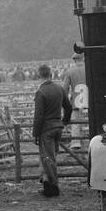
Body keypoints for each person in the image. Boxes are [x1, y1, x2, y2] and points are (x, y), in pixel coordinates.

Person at [32, 64, 72, 198]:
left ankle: (54, 187)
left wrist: (35, 134)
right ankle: (47, 185)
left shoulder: (41, 92)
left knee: (48, 158)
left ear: (39, 76)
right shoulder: (59, 89)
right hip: (57, 127)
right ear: (51, 75)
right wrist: (65, 121)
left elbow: (38, 116)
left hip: (46, 130)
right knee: (50, 157)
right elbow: (68, 107)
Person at [62, 52, 88, 148]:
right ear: (83, 58)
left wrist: (65, 101)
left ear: (74, 60)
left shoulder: (70, 72)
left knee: (76, 122)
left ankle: (76, 143)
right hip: (89, 99)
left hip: (76, 100)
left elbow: (65, 88)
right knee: (89, 121)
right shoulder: (89, 69)